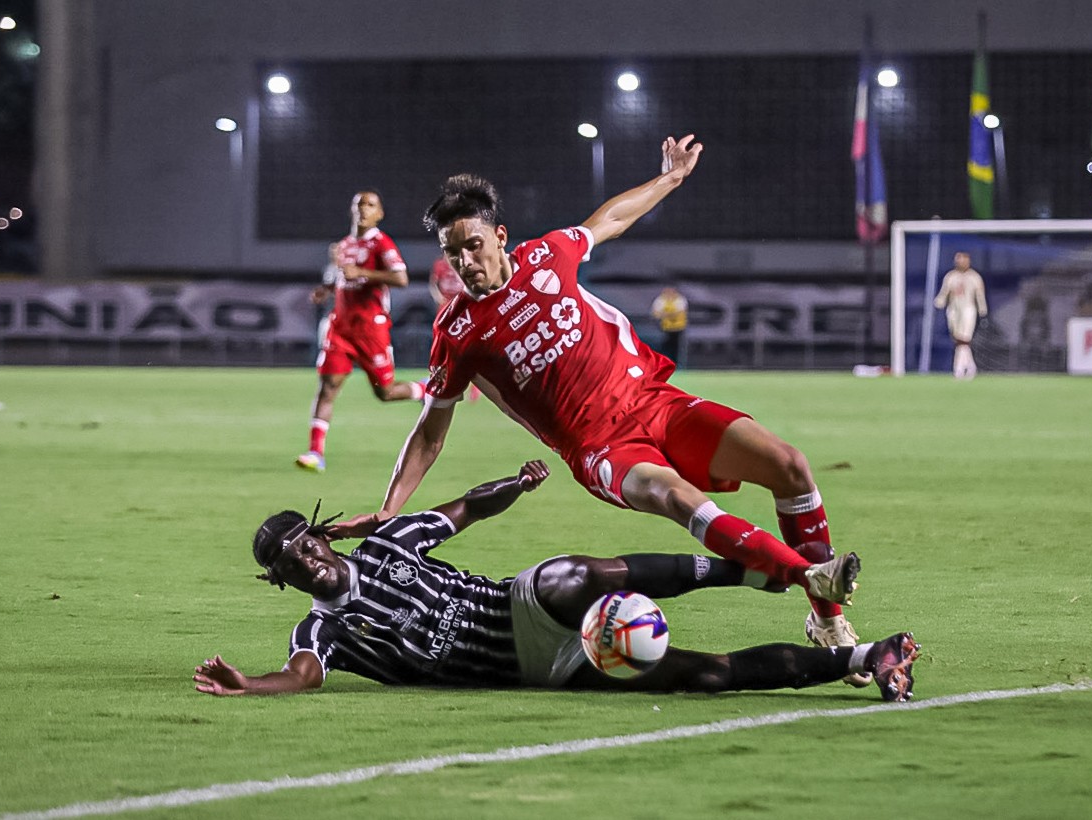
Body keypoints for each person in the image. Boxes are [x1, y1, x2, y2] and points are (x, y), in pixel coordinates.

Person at [355, 135, 873, 687]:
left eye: (474, 245)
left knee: (788, 465)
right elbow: (431, 432)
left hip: (656, 401)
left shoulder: (548, 256)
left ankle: (827, 620)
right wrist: (390, 511)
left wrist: (669, 179)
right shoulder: (458, 332)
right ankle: (811, 574)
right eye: (453, 253)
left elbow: (610, 219)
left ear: (499, 235)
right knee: (680, 499)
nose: (465, 262)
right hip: (603, 449)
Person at [194, 461, 920, 701]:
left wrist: (516, 483)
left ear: (320, 535)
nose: (305, 559)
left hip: (520, 605)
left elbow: (465, 509)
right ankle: (865, 659)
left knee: (575, 573)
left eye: (304, 543)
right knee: (703, 679)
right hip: (539, 668)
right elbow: (301, 675)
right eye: (288, 563)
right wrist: (246, 686)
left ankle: (763, 577)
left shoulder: (392, 540)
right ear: (286, 580)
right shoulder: (320, 629)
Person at [295, 189, 426, 473]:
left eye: (370, 205)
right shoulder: (343, 245)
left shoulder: (382, 244)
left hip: (371, 329)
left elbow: (401, 278)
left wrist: (365, 274)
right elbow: (345, 278)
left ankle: (423, 389)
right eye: (359, 205)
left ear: (379, 214)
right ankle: (315, 452)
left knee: (386, 392)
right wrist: (327, 290)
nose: (363, 209)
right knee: (327, 387)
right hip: (340, 328)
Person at [427, 257, 481, 401]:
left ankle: (475, 384)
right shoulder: (439, 264)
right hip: (445, 305)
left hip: (462, 305)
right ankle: (439, 374)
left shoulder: (464, 261)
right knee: (441, 341)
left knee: (469, 343)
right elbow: (433, 283)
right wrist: (439, 298)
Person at [933, 251, 988, 380]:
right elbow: (944, 293)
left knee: (964, 339)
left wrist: (983, 312)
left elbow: (980, 296)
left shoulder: (974, 277)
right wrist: (938, 303)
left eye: (962, 259)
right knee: (958, 341)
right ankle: (970, 367)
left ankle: (958, 369)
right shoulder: (951, 276)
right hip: (953, 311)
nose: (959, 262)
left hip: (968, 310)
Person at [650, 285, 688, 366]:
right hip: (665, 327)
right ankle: (664, 363)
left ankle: (677, 364)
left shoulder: (679, 299)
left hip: (678, 327)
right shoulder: (660, 300)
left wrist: (665, 314)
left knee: (677, 347)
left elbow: (679, 312)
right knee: (664, 346)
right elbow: (655, 313)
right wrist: (668, 315)